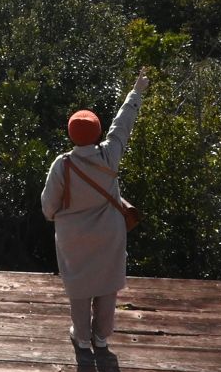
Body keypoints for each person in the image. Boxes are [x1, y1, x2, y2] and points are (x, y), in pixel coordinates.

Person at [41, 67, 148, 351]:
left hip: (72, 237)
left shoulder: (62, 164)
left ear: (70, 133)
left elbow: (48, 206)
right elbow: (123, 124)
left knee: (79, 286)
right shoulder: (110, 155)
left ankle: (83, 337)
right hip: (109, 233)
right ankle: (102, 336)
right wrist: (136, 93)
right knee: (107, 284)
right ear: (98, 131)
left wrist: (58, 218)